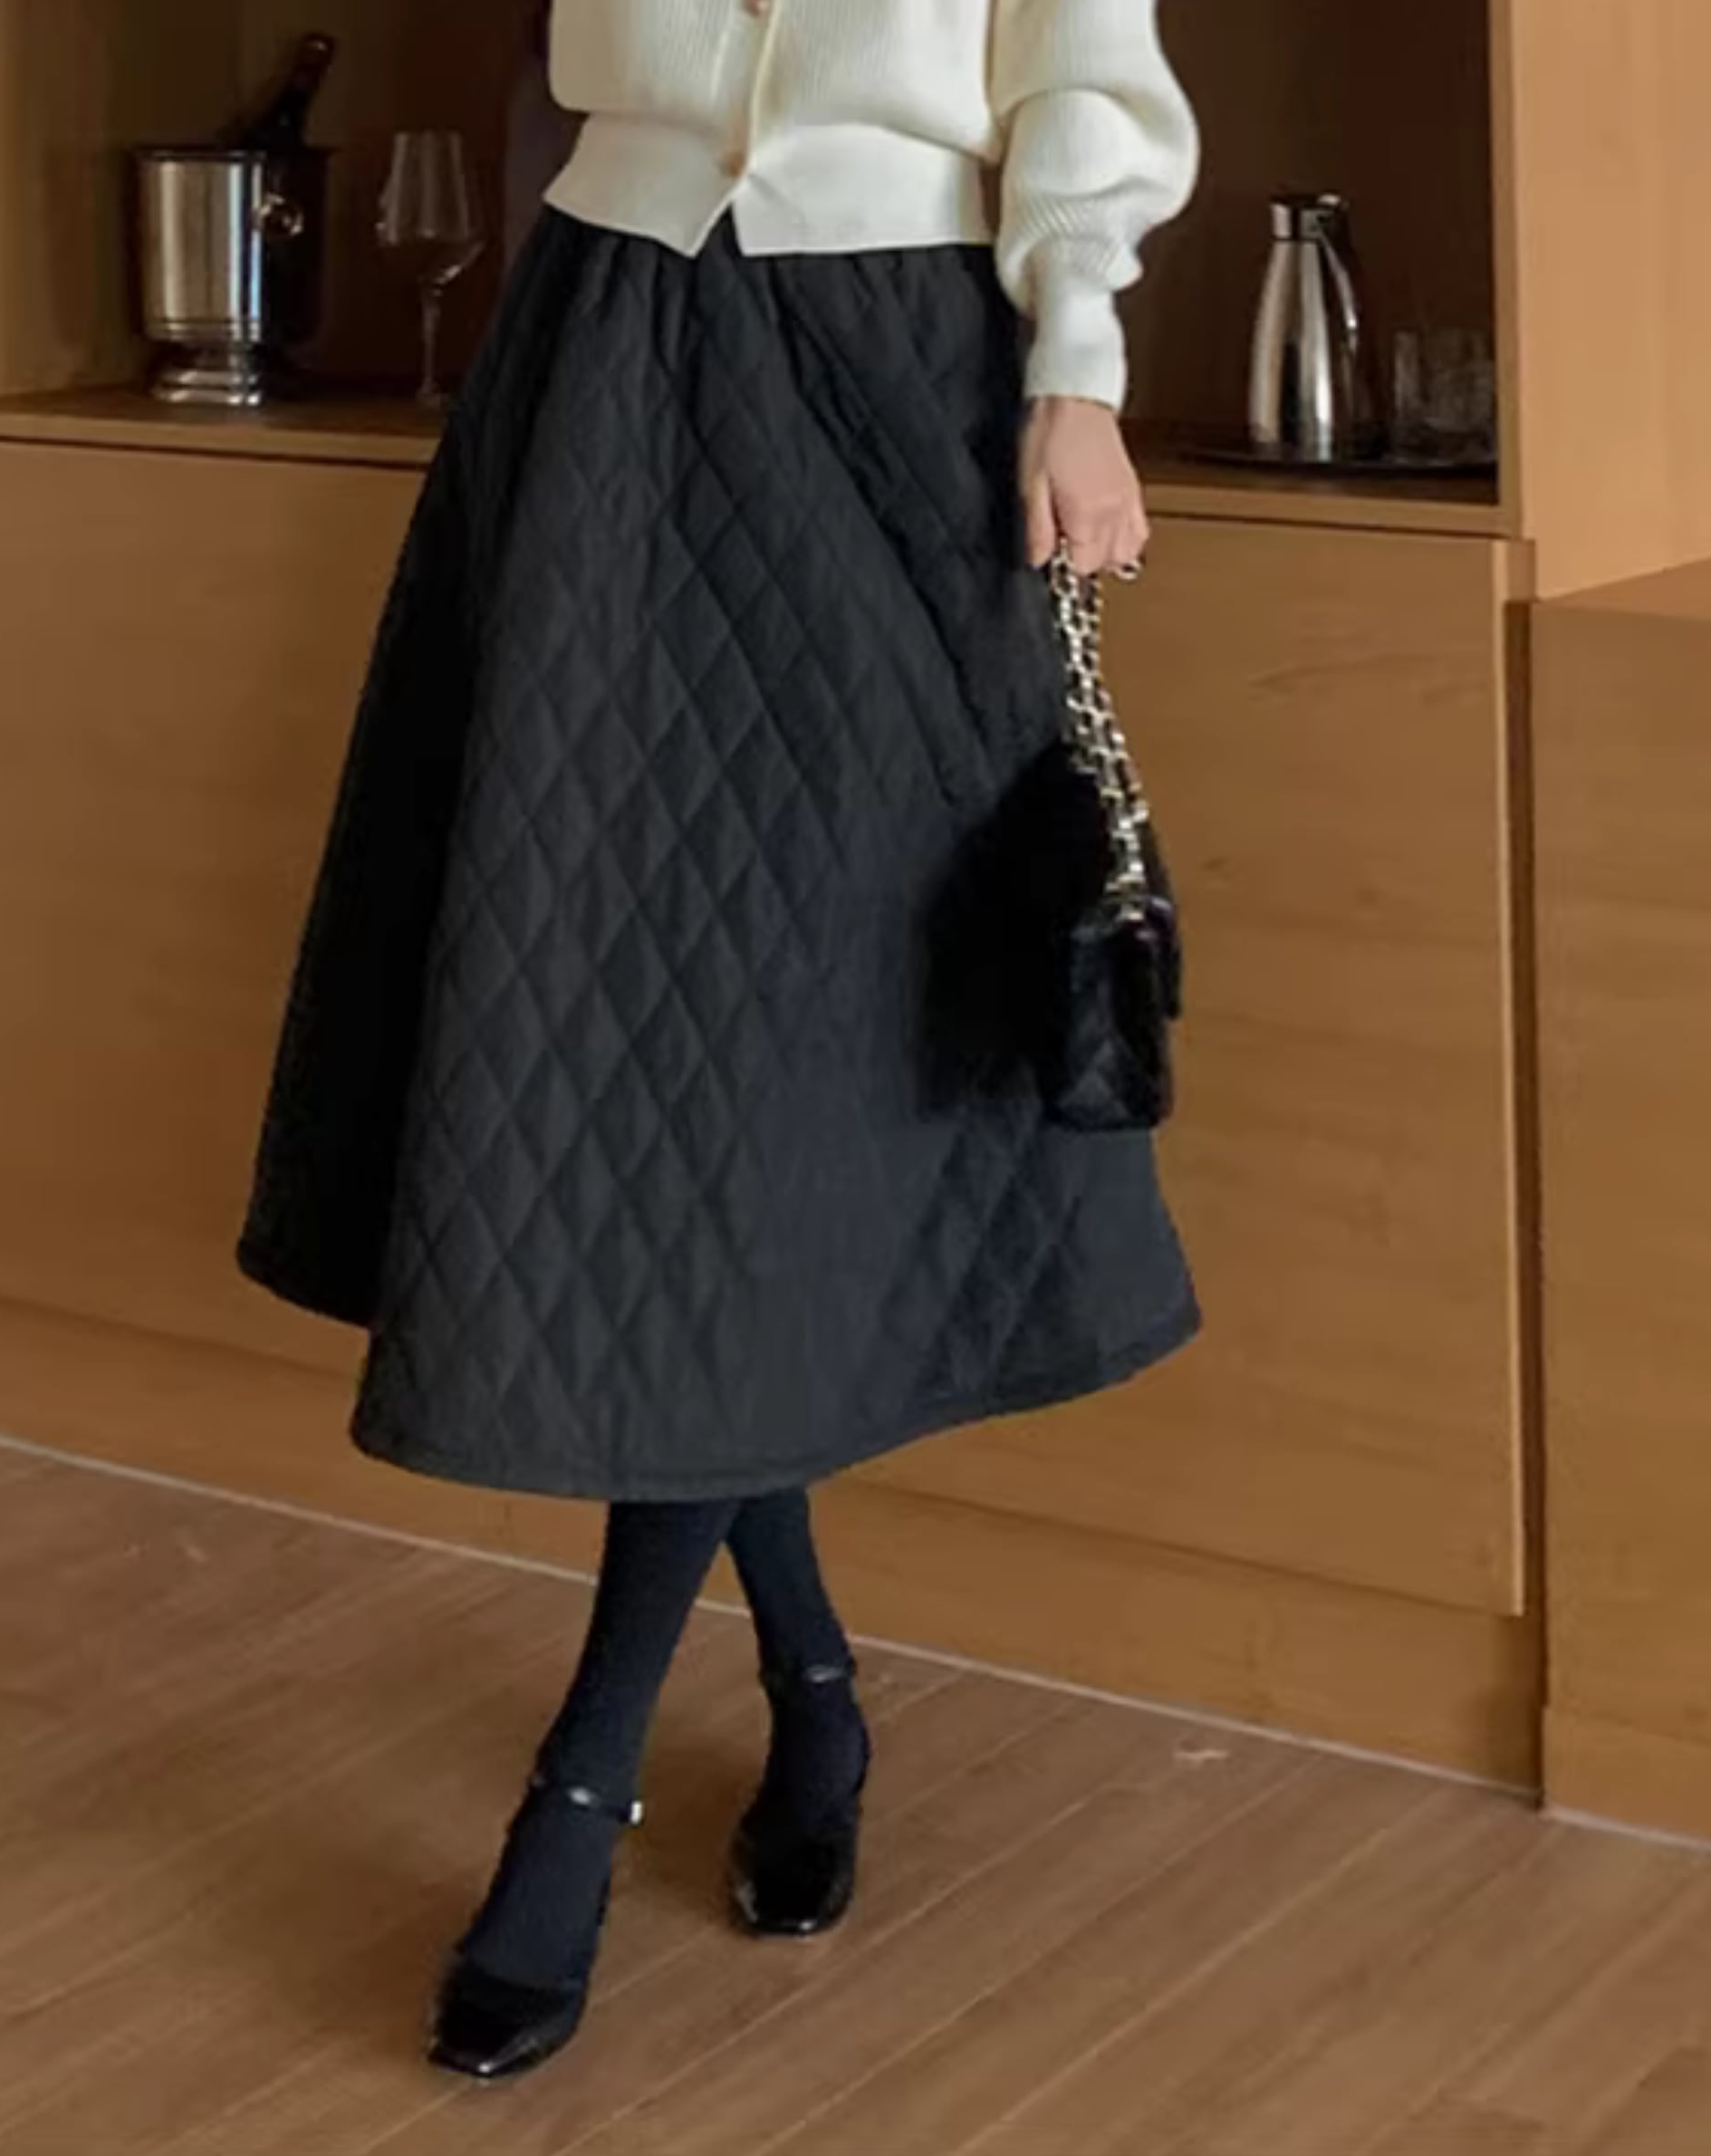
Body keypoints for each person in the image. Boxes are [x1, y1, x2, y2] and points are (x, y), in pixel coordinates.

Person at [242, 0, 1199, 2082]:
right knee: (628, 1073)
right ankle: (810, 1684)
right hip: (606, 348)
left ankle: (583, 1777)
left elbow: (1075, 69)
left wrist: (1076, 372)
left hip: (900, 377)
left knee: (778, 1081)